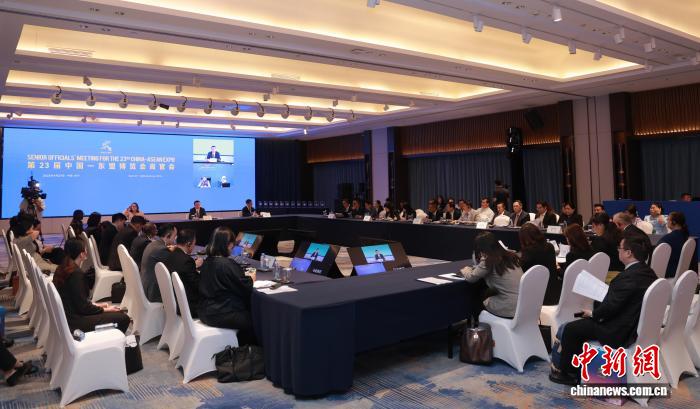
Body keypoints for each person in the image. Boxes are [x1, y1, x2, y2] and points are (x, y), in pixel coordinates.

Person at [550, 234, 657, 385]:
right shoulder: (649, 273)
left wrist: (593, 314)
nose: (618, 250)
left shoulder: (628, 277)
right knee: (577, 326)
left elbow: (611, 307)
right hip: (634, 324)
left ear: (628, 253)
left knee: (570, 329)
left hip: (619, 330)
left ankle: (569, 373)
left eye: (620, 248)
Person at [53, 239, 130, 333]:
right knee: (123, 318)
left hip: (68, 317)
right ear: (82, 254)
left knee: (116, 313)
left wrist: (98, 305)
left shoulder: (61, 268)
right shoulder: (76, 274)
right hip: (76, 322)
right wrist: (105, 309)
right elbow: (84, 308)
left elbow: (78, 301)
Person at [198, 227, 256, 345]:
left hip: (204, 311)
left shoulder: (207, 261)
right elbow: (245, 286)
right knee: (257, 319)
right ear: (228, 245)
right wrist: (251, 278)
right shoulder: (227, 265)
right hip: (221, 313)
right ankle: (245, 351)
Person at [460, 231, 522, 319]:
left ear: (482, 249)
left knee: (477, 297)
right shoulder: (510, 256)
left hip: (508, 307)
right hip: (522, 305)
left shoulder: (488, 260)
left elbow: (471, 278)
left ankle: (478, 324)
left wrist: (465, 269)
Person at [164, 228, 202, 318]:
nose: (194, 246)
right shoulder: (187, 261)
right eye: (194, 244)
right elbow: (198, 285)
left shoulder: (170, 255)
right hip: (188, 306)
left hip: (173, 302)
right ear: (188, 244)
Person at [519, 223, 559, 305]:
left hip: (537, 296)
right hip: (554, 292)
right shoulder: (550, 246)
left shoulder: (529, 251)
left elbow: (522, 271)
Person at [141, 223, 178, 303]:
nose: (175, 239)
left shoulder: (153, 244)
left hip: (145, 285)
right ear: (168, 236)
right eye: (175, 236)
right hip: (153, 292)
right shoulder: (161, 249)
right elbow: (176, 267)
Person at [658, 212, 698, 278]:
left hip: (669, 274)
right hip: (685, 274)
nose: (666, 221)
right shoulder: (686, 237)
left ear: (673, 222)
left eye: (668, 219)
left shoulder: (667, 239)